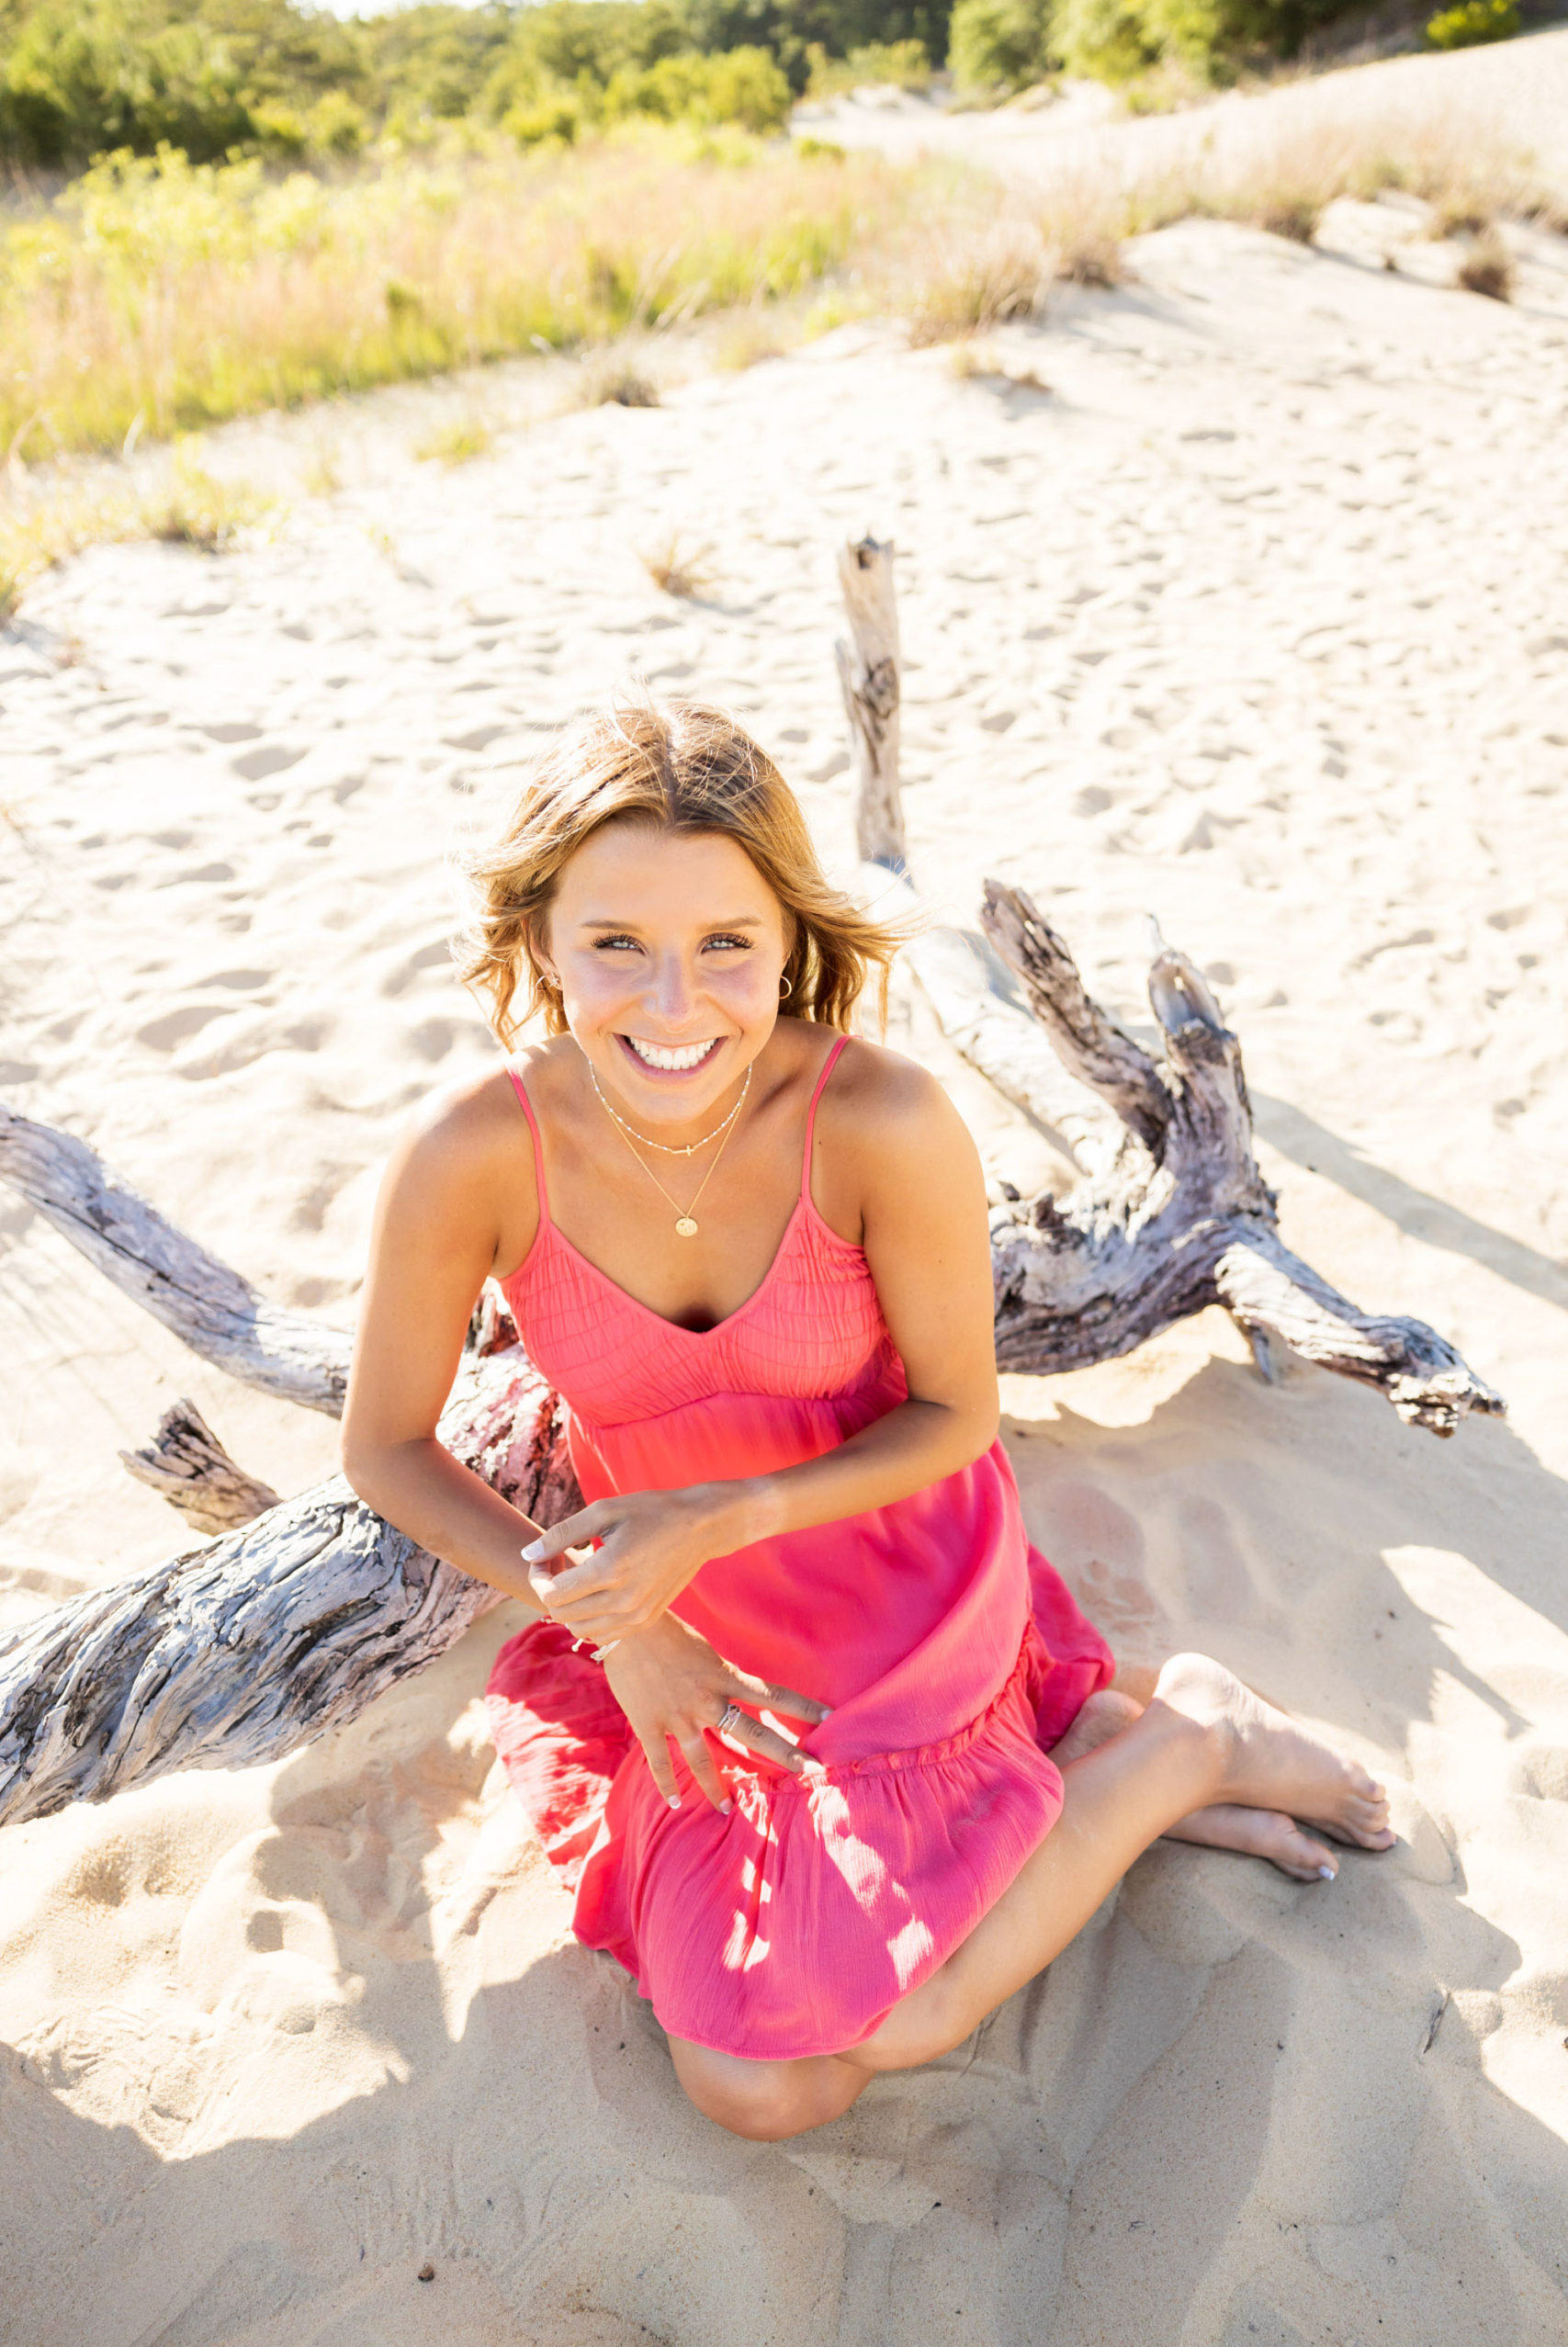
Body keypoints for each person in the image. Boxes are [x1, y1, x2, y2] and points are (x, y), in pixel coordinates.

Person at [341, 700, 1393, 2142]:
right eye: (615, 947)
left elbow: (962, 1415)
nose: (673, 1003)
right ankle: (1113, 1772)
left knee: (852, 2034)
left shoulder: (879, 1117)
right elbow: (383, 1449)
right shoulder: (471, 1151)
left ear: (788, 937)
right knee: (762, 2078)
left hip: (899, 1569)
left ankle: (1183, 1745)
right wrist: (625, 1629)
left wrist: (722, 1512)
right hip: (682, 1621)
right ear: (537, 944)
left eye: (725, 943)